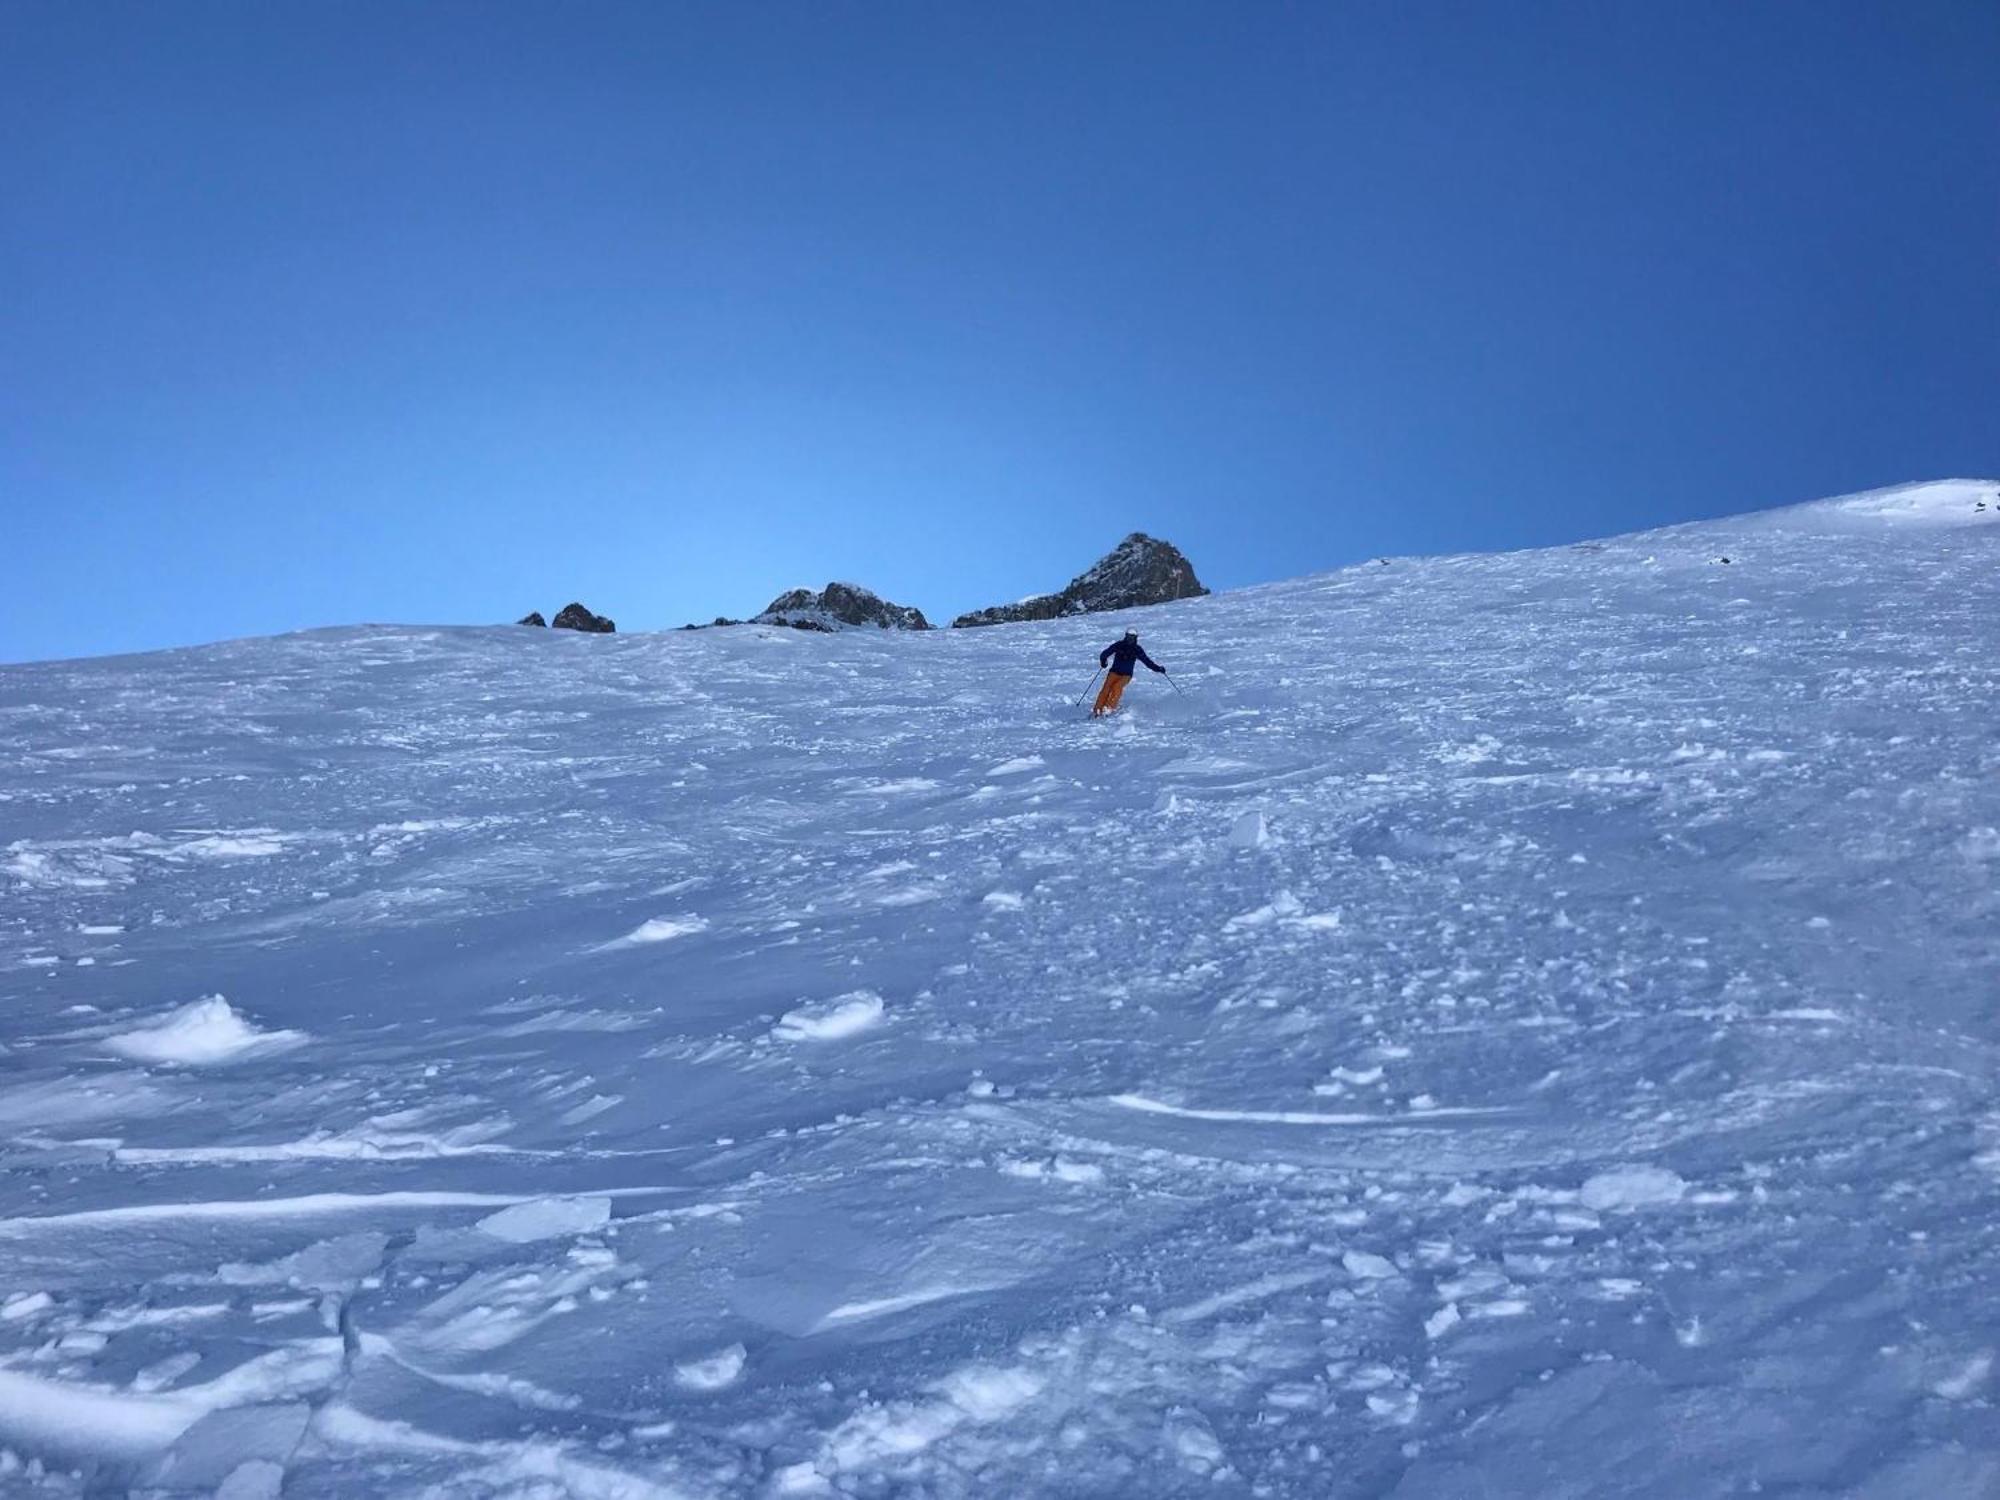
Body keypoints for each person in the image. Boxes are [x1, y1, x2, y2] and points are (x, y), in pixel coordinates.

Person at [1092, 628, 1165, 715]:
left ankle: (1108, 708)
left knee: (1117, 687)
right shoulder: (1119, 645)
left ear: (1136, 638)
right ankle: (1097, 710)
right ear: (1125, 636)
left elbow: (1147, 662)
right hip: (1114, 672)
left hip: (1126, 675)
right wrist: (1103, 662)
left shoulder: (1137, 649)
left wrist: (1158, 668)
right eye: (1128, 637)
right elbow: (1105, 654)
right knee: (1106, 688)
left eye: (1132, 638)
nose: (1130, 639)